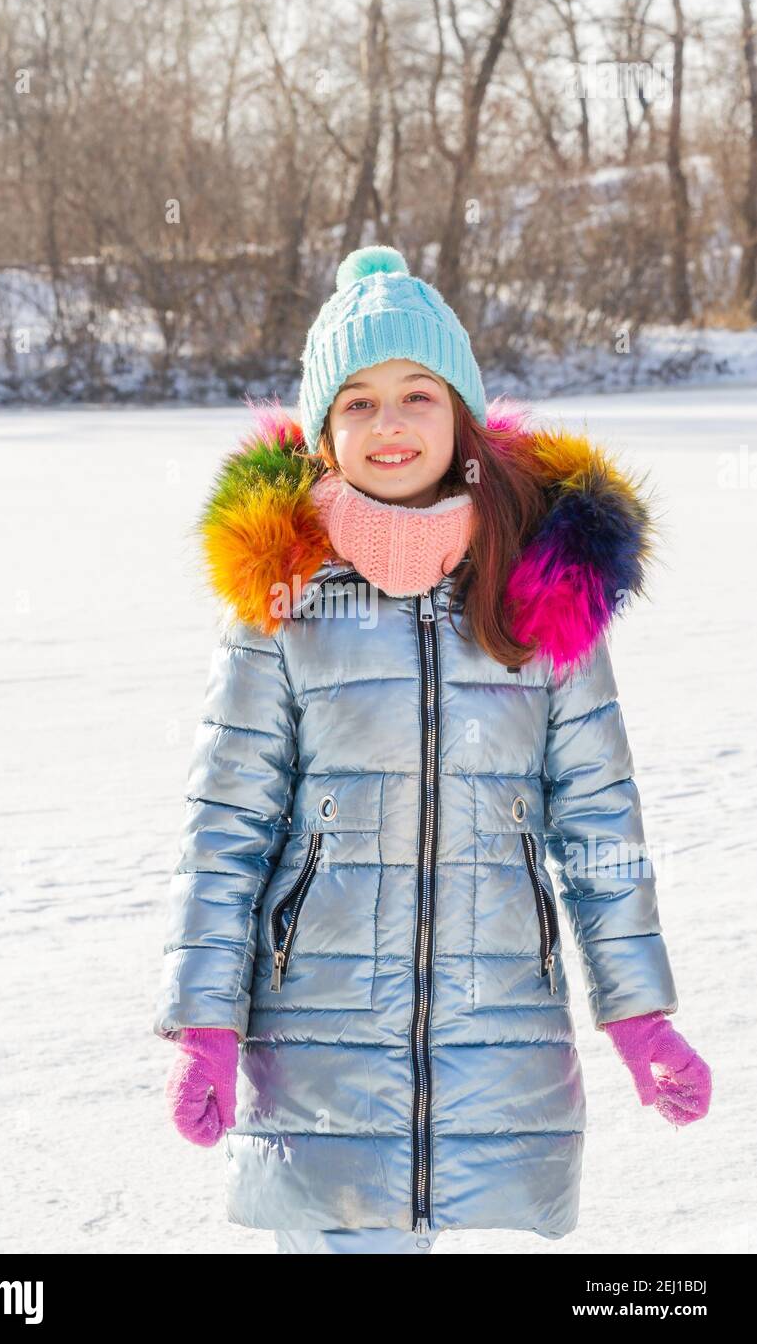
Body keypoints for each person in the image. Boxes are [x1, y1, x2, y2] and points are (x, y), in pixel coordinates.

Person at [153, 245, 711, 1255]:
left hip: (500, 1041)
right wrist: (204, 1021)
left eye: (417, 394)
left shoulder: (541, 591)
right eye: (358, 402)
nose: (390, 423)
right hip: (322, 1051)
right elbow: (226, 828)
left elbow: (598, 819)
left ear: (460, 415)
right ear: (325, 430)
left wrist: (638, 1014)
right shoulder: (282, 603)